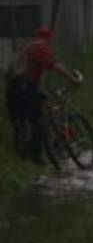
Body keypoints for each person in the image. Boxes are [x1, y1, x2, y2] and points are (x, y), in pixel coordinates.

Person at [4, 27, 80, 164]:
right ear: (49, 38)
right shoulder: (40, 47)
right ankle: (33, 155)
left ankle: (23, 153)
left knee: (20, 122)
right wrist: (72, 79)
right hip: (26, 87)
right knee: (40, 121)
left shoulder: (27, 47)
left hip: (14, 88)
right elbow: (55, 66)